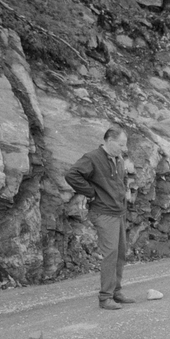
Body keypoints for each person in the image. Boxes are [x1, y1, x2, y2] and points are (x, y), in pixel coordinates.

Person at [65, 126, 136, 310]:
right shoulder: (92, 158)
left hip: (118, 211)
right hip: (103, 212)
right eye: (121, 144)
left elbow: (120, 182)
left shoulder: (118, 159)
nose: (124, 148)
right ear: (109, 141)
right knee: (110, 253)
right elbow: (72, 175)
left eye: (124, 145)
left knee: (120, 253)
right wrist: (91, 192)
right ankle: (105, 298)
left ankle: (116, 292)